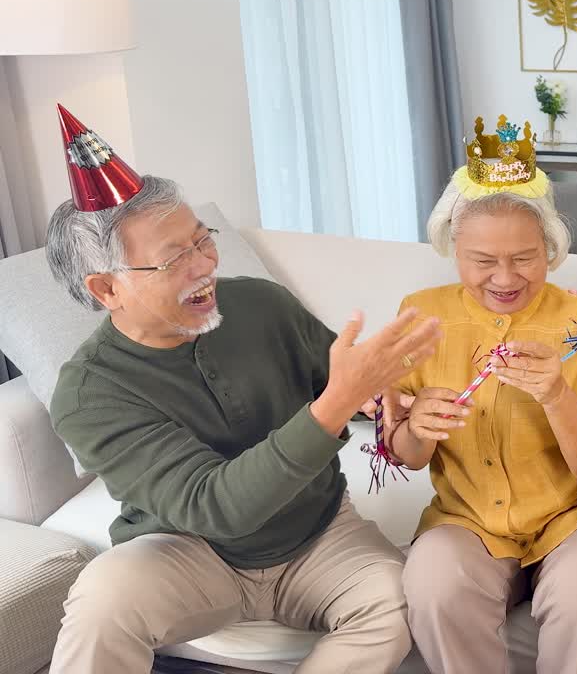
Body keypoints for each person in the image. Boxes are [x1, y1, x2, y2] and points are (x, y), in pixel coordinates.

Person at [45, 105, 438, 673]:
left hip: (320, 535)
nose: (203, 265)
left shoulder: (259, 302)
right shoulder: (90, 393)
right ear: (107, 288)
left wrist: (391, 398)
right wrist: (337, 403)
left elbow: (349, 383)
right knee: (103, 599)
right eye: (174, 259)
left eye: (202, 241)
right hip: (188, 552)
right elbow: (216, 507)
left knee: (400, 602)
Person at [388, 116, 577, 673]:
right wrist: (414, 429)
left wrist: (557, 395)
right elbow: (405, 457)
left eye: (524, 257)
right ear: (453, 249)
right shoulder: (420, 317)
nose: (504, 278)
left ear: (550, 249)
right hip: (466, 519)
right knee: (433, 587)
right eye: (483, 261)